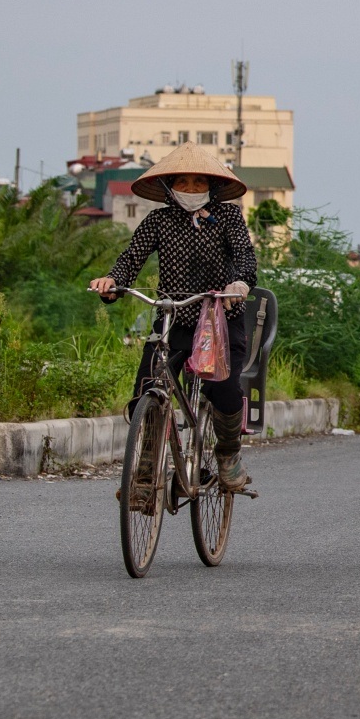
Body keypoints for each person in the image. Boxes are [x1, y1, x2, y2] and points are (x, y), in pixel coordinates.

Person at [89, 144, 257, 492]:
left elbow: (244, 256)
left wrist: (238, 282)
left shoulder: (228, 217)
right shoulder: (158, 221)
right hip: (174, 318)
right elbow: (130, 259)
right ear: (169, 186)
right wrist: (113, 282)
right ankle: (146, 472)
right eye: (184, 181)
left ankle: (228, 454)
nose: (191, 189)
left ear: (212, 187)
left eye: (199, 182)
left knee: (223, 389)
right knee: (146, 390)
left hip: (219, 320)